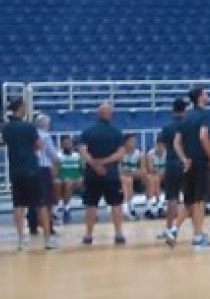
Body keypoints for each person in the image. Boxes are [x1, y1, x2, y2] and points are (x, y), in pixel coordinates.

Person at [167, 86, 210, 250]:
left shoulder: (186, 117)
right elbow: (203, 136)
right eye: (206, 93)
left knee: (189, 201)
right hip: (200, 161)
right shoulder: (204, 116)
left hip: (188, 163)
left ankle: (174, 230)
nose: (208, 96)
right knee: (199, 201)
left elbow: (176, 142)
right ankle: (197, 238)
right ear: (200, 97)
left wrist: (184, 159)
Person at [2, 98, 54, 250]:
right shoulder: (29, 127)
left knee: (18, 205)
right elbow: (38, 145)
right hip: (31, 168)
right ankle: (47, 239)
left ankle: (21, 240)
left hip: (15, 169)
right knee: (41, 204)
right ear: (20, 108)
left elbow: (7, 143)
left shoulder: (6, 128)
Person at [78, 103, 128, 245]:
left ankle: (88, 235)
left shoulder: (87, 131)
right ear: (110, 115)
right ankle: (118, 234)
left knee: (91, 204)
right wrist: (105, 162)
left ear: (97, 114)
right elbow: (120, 153)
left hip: (91, 174)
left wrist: (95, 164)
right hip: (111, 173)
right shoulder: (117, 132)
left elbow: (83, 151)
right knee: (116, 204)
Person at [156, 98, 187, 240]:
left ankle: (169, 228)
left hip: (172, 164)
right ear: (185, 110)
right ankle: (196, 231)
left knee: (172, 198)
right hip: (187, 164)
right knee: (192, 199)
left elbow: (160, 148)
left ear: (173, 109)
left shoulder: (167, 127)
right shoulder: (189, 126)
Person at [27, 114, 60, 237]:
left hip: (31, 168)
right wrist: (57, 163)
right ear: (46, 124)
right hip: (44, 168)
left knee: (33, 198)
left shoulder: (30, 135)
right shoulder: (45, 136)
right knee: (45, 199)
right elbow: (53, 154)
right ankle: (48, 226)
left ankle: (33, 225)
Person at [56, 135, 83, 224]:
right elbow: (56, 172)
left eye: (69, 143)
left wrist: (81, 177)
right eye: (65, 144)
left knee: (72, 182)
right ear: (61, 145)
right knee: (65, 183)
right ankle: (66, 209)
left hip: (77, 180)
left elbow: (82, 170)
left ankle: (63, 209)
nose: (68, 145)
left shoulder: (77, 156)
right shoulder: (58, 156)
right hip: (64, 180)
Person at [119, 133, 145, 220]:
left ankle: (152, 208)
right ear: (125, 143)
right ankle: (129, 208)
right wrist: (133, 173)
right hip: (122, 179)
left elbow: (143, 171)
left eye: (134, 141)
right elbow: (119, 171)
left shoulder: (139, 154)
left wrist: (129, 173)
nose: (134, 143)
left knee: (150, 179)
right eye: (131, 141)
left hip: (136, 179)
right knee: (127, 180)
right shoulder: (120, 153)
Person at [142, 139, 166, 219]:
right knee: (154, 179)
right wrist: (160, 173)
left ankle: (155, 207)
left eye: (162, 146)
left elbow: (169, 169)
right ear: (156, 145)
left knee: (157, 179)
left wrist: (162, 173)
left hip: (164, 176)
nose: (160, 148)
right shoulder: (150, 154)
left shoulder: (167, 154)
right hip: (154, 176)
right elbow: (150, 169)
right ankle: (155, 207)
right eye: (159, 145)